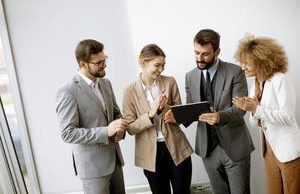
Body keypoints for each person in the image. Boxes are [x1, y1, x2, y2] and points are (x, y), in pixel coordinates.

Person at [183, 29, 254, 194]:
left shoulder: (235, 72)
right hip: (208, 150)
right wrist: (176, 115)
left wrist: (219, 117)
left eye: (205, 54)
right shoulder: (190, 76)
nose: (199, 59)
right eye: (196, 53)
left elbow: (240, 109)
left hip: (235, 148)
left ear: (217, 51)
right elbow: (191, 108)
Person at [56, 39, 127, 194]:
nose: (104, 65)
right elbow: (67, 133)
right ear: (83, 64)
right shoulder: (68, 91)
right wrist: (105, 131)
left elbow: (115, 113)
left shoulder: (106, 83)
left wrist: (120, 128)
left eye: (105, 59)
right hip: (92, 169)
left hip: (115, 161)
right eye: (99, 62)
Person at [233, 35, 300, 194]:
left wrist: (256, 109)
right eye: (241, 62)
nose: (243, 67)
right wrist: (251, 110)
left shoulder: (280, 80)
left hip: (288, 152)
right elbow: (254, 122)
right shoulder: (254, 86)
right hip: (268, 151)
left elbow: (287, 116)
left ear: (262, 60)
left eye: (246, 63)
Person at [122, 44, 193, 194]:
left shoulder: (170, 82)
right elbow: (130, 128)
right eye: (157, 65)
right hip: (150, 155)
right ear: (143, 62)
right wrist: (150, 114)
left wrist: (165, 109)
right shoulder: (129, 91)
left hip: (177, 148)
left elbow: (180, 115)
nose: (161, 69)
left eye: (163, 65)